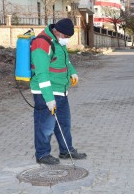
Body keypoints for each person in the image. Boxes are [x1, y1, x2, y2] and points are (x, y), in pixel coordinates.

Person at [30, 18, 87, 165]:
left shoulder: (58, 42)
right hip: (45, 93)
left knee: (64, 124)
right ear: (58, 32)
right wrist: (49, 99)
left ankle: (66, 150)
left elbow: (65, 61)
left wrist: (72, 73)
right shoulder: (41, 44)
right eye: (66, 37)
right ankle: (42, 154)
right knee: (45, 126)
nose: (67, 40)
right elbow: (42, 74)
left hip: (61, 91)